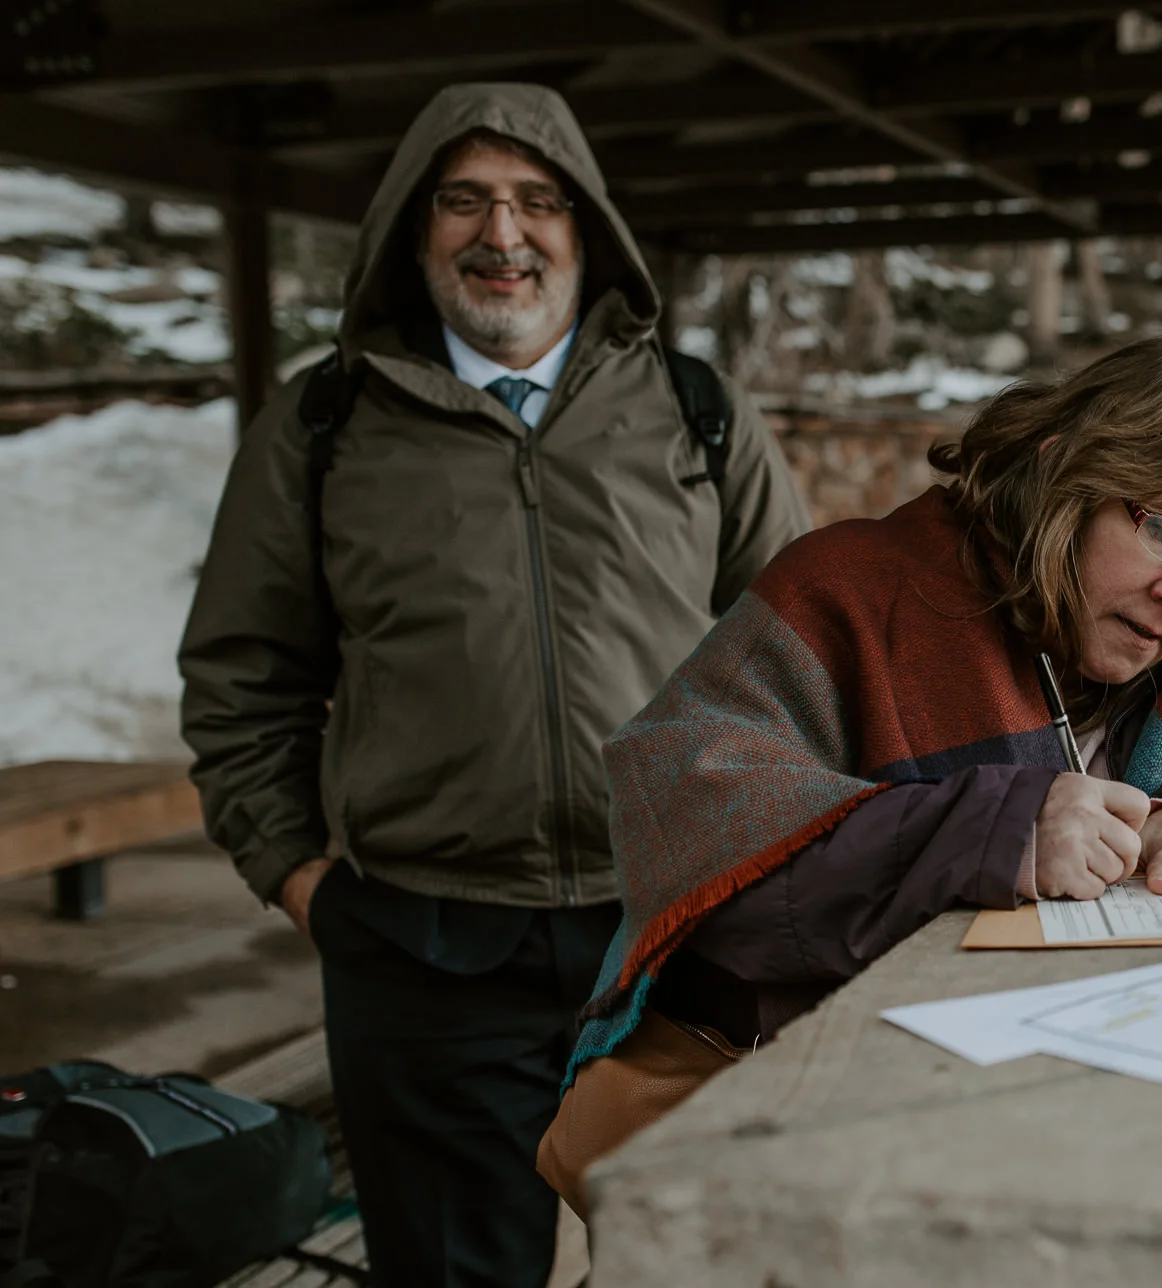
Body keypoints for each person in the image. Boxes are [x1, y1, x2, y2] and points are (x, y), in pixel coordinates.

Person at [177, 83, 808, 1286]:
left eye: (536, 202)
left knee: (688, 1258)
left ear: (588, 231)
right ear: (414, 235)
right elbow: (242, 676)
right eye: (462, 200)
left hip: (673, 927)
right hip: (424, 946)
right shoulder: (323, 426)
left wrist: (776, 851)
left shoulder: (696, 413)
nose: (501, 233)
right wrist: (301, 877)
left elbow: (809, 649)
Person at [539, 335, 1162, 1211]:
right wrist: (998, 829)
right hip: (832, 1157)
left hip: (1093, 1154)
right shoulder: (849, 593)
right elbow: (696, 856)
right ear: (1061, 472)